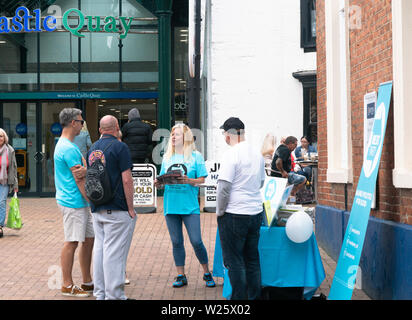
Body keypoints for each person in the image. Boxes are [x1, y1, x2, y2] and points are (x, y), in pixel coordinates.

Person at [154, 123, 215, 288]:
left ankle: (206, 272)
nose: (173, 137)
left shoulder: (196, 156)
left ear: (186, 137)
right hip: (170, 206)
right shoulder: (167, 158)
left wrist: (189, 180)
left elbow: (202, 180)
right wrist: (158, 184)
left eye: (177, 134)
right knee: (176, 242)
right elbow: (161, 181)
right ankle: (181, 275)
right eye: (172, 134)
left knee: (196, 241)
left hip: (190, 207)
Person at [216, 117, 266, 300]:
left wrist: (220, 211)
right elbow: (261, 182)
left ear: (230, 135)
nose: (224, 137)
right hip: (254, 211)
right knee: (252, 258)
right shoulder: (256, 153)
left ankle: (239, 301)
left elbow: (224, 188)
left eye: (224, 133)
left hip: (234, 213)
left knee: (235, 261)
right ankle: (254, 297)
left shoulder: (231, 154)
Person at [87, 115, 137, 300]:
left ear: (100, 130)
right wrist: (130, 207)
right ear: (117, 127)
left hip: (98, 206)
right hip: (117, 207)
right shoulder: (120, 147)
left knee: (100, 250)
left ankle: (100, 293)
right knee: (114, 253)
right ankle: (114, 295)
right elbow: (126, 179)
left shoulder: (92, 148)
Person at [54, 108, 94, 297]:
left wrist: (86, 169)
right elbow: (79, 179)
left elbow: (83, 169)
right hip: (73, 201)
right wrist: (91, 200)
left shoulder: (68, 145)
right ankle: (67, 284)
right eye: (80, 121)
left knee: (89, 239)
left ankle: (87, 281)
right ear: (72, 123)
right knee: (71, 241)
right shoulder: (68, 148)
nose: (82, 124)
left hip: (77, 201)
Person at [0, 129, 18, 238]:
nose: (0, 138)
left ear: (4, 138)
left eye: (1, 136)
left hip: (5, 181)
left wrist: (15, 184)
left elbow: (13, 168)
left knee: (1, 202)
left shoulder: (9, 150)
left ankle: (0, 226)